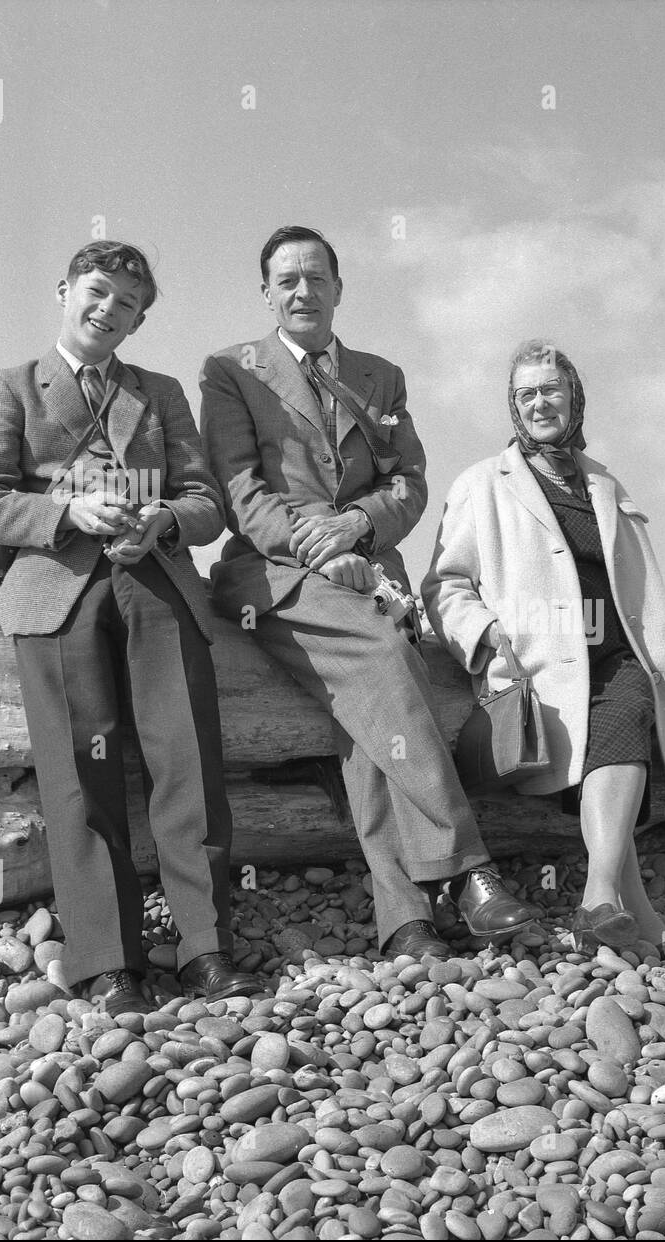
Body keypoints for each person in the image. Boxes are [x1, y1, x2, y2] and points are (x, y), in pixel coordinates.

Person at [200, 225, 539, 963]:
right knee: (389, 654)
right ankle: (470, 870)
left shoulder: (381, 375)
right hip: (270, 569)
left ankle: (407, 921)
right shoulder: (230, 371)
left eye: (317, 278)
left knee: (369, 710)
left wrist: (358, 525)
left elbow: (409, 483)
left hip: (368, 567)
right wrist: (318, 549)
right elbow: (238, 491)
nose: (302, 291)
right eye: (286, 280)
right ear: (266, 293)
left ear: (339, 289)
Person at [0, 240, 263, 1016]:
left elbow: (207, 504)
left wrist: (160, 517)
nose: (108, 311)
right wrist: (64, 513)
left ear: (140, 319)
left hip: (156, 588)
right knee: (77, 777)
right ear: (64, 290)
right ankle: (108, 960)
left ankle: (206, 948)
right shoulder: (12, 387)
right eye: (96, 292)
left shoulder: (158, 392)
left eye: (127, 304)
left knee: (186, 762)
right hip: (53, 595)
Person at [424, 341, 665, 958]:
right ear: (512, 406)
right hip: (540, 667)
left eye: (551, 389)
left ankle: (598, 900)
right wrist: (484, 635)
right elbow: (444, 584)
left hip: (617, 653)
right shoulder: (482, 482)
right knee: (617, 743)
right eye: (525, 394)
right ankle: (626, 913)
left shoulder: (604, 481)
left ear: (574, 398)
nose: (539, 403)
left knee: (629, 713)